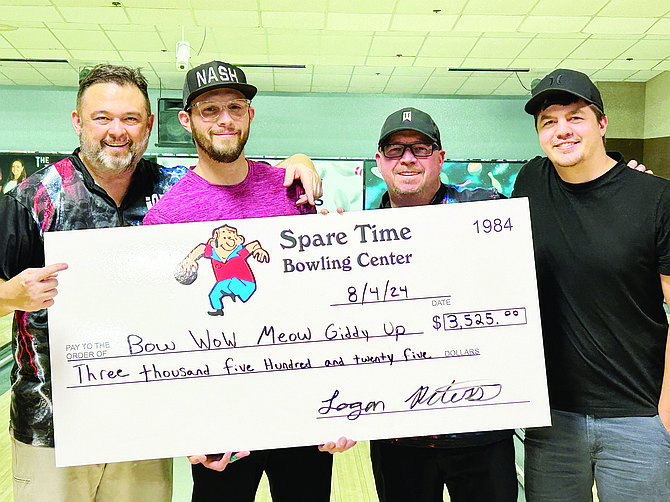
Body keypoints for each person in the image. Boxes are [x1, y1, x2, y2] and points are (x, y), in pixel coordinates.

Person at [0, 63, 322, 502]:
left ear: (150, 125)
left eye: (130, 119)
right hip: (55, 426)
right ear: (78, 122)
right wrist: (11, 294)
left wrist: (297, 163)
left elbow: (228, 175)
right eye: (102, 118)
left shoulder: (169, 191)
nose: (117, 131)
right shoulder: (34, 196)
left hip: (144, 424)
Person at [143, 60, 354, 502]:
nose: (225, 120)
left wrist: (342, 397)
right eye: (209, 110)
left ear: (250, 115)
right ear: (186, 121)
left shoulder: (291, 190)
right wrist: (182, 425)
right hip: (220, 415)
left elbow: (319, 299)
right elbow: (162, 328)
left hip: (299, 406)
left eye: (236, 107)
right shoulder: (166, 216)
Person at [514, 69, 670, 501]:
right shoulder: (530, 182)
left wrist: (666, 412)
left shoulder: (656, 198)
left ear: (602, 124)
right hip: (552, 418)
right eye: (549, 121)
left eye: (575, 117)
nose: (562, 130)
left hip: (638, 416)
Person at [368, 107, 518, 502]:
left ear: (440, 158)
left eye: (420, 148)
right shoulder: (357, 237)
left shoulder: (488, 208)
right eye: (395, 149)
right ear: (378, 161)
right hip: (398, 434)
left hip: (483, 428)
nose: (408, 159)